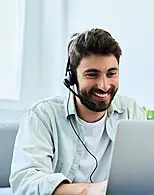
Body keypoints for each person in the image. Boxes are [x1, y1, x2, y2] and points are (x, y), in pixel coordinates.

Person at [9, 28, 146, 195]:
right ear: (72, 77)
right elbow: (25, 183)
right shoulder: (42, 116)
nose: (104, 86)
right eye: (92, 74)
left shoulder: (131, 112)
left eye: (111, 74)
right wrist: (93, 190)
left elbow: (145, 173)